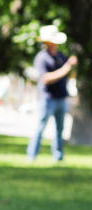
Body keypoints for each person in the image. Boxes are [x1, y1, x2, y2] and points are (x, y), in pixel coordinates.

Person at [26, 24, 78, 161]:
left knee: (60, 130)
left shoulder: (61, 56)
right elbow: (46, 79)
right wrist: (66, 69)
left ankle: (59, 156)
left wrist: (71, 66)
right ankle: (32, 155)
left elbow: (70, 73)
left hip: (61, 97)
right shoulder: (42, 58)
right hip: (48, 99)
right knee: (41, 128)